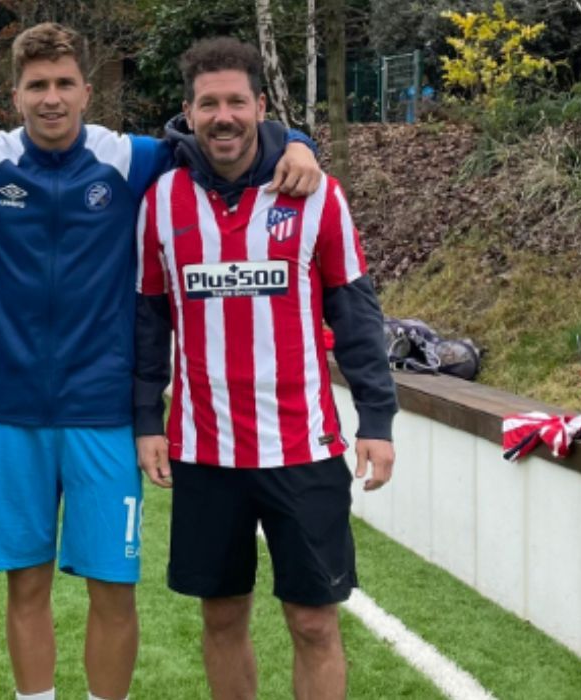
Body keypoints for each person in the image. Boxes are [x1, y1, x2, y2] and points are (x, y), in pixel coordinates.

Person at [0, 24, 323, 700]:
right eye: (37, 86)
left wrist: (299, 142)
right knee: (28, 582)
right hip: (13, 410)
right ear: (14, 95)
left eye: (64, 84)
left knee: (113, 586)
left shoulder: (130, 158)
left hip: (102, 408)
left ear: (86, 90)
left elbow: (225, 140)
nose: (52, 99)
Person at [133, 38, 398, 700]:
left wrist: (378, 418)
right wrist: (145, 418)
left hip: (301, 447)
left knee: (313, 622)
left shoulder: (316, 194)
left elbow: (357, 315)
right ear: (187, 114)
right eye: (208, 103)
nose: (223, 116)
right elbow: (147, 321)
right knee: (221, 616)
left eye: (236, 101)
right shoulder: (160, 202)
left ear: (261, 106)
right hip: (203, 448)